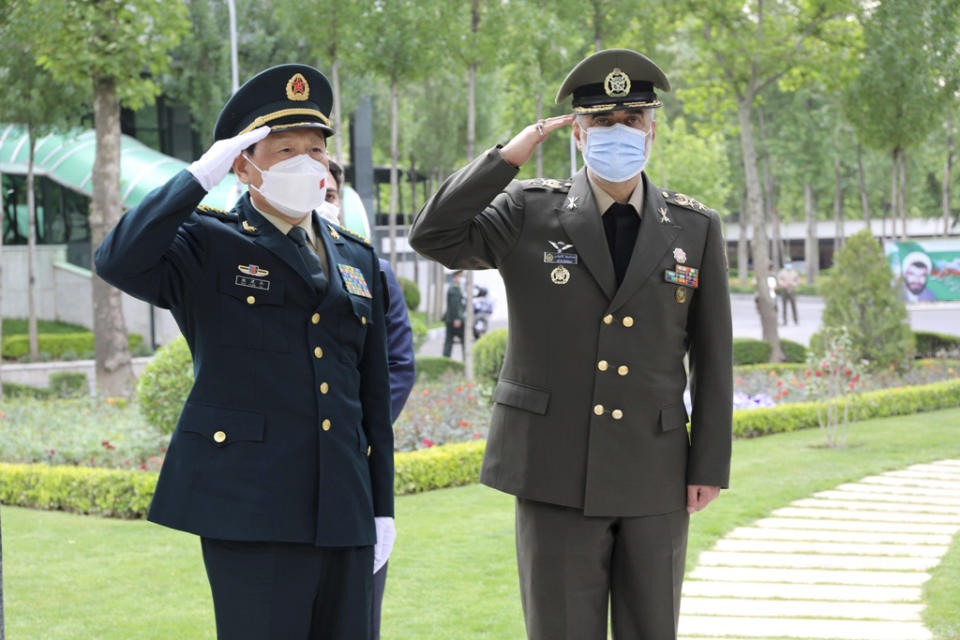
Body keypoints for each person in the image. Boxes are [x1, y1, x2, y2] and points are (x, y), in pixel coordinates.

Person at [409, 49, 733, 640]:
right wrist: (506, 158)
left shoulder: (695, 227)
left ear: (653, 130)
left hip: (654, 469)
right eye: (602, 123)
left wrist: (708, 462)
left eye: (632, 121)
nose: (619, 134)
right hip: (552, 466)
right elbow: (434, 235)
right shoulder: (528, 211)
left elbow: (713, 356)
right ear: (578, 134)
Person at [95, 64, 394, 640]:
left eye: (315, 148)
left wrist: (381, 508)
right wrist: (198, 177)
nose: (308, 163)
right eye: (286, 150)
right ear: (244, 164)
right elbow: (118, 259)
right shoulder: (208, 244)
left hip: (344, 508)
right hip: (251, 508)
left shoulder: (356, 257)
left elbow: (371, 397)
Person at [318, 159, 416, 640]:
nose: (320, 198)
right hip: (278, 475)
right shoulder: (248, 261)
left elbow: (398, 364)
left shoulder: (370, 270)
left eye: (330, 192)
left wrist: (355, 424)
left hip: (354, 469)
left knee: (357, 617)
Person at [442, 270, 465, 358]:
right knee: (463, 340)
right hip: (455, 320)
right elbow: (455, 305)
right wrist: (457, 318)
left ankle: (445, 361)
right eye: (460, 276)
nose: (462, 278)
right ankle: (466, 361)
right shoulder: (454, 288)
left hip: (450, 319)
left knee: (449, 341)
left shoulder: (454, 287)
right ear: (455, 276)